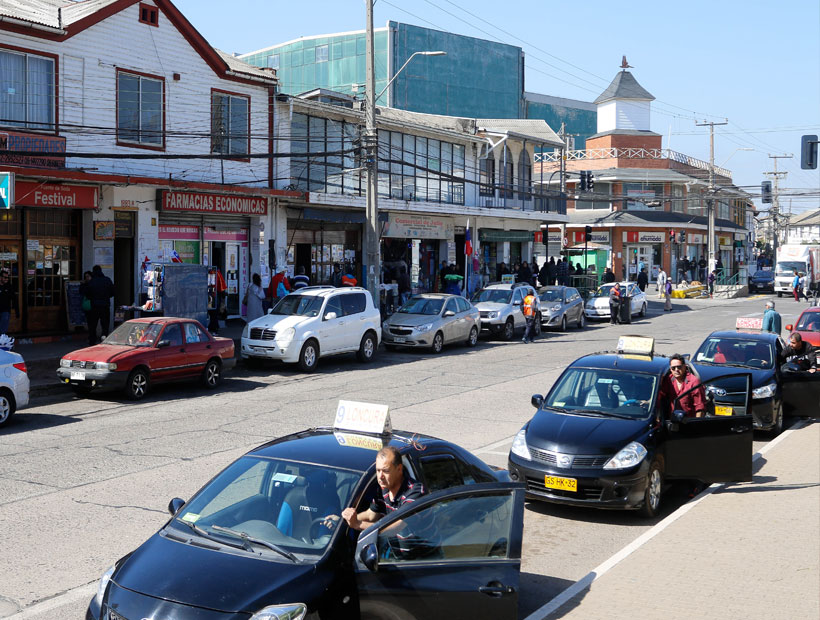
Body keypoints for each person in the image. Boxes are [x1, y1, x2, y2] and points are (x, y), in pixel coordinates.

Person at [339, 446, 427, 531]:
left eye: (386, 471)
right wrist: (344, 520)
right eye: (378, 470)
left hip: (422, 545)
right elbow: (371, 515)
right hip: (393, 544)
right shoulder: (382, 488)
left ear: (399, 469)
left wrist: (358, 524)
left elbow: (394, 528)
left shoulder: (415, 491)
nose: (380, 476)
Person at [660, 354, 707, 418]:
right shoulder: (668, 380)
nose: (676, 370)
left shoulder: (694, 382)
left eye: (679, 367)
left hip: (688, 422)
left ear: (685, 367)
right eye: (673, 368)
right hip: (672, 421)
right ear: (670, 369)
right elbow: (660, 396)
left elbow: (700, 407)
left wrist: (696, 424)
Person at [80, 265, 115, 345]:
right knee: (105, 325)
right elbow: (113, 292)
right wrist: (106, 296)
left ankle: (92, 341)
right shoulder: (107, 280)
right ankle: (104, 339)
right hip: (105, 305)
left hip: (94, 306)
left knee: (92, 325)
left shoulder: (92, 281)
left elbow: (86, 293)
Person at [0, 269, 19, 336]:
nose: (6, 279)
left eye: (8, 278)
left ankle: (1, 341)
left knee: (3, 328)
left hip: (5, 310)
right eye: (5, 277)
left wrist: (17, 311)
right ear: (0, 277)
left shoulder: (9, 286)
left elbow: (14, 299)